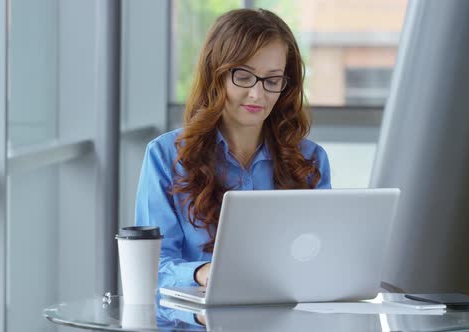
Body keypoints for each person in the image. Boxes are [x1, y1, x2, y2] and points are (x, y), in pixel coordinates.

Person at [135, 8, 331, 289]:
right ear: (217, 75)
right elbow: (150, 267)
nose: (257, 94)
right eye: (243, 76)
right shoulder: (166, 156)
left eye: (272, 80)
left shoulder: (311, 159)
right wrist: (202, 272)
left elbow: (322, 258)